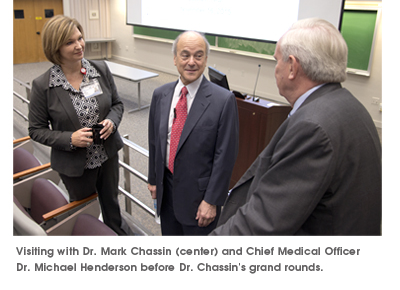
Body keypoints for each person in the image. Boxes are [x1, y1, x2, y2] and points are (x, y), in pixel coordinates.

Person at [210, 18, 382, 236]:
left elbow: (262, 224)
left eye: (277, 61)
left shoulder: (312, 128)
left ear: (292, 67)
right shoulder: (349, 106)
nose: (276, 69)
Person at [28, 15, 132, 235]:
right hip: (75, 165)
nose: (79, 46)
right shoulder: (43, 86)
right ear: (55, 48)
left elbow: (117, 104)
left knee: (112, 206)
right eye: (70, 42)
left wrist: (112, 122)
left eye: (80, 38)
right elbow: (36, 130)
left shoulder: (100, 69)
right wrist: (69, 139)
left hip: (107, 156)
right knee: (85, 215)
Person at [147, 30, 239, 235]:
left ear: (206, 59)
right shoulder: (160, 94)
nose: (191, 62)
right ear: (174, 58)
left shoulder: (223, 100)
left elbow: (225, 156)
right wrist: (153, 180)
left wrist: (212, 201)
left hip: (199, 201)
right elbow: (155, 142)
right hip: (166, 192)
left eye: (198, 56)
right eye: (185, 55)